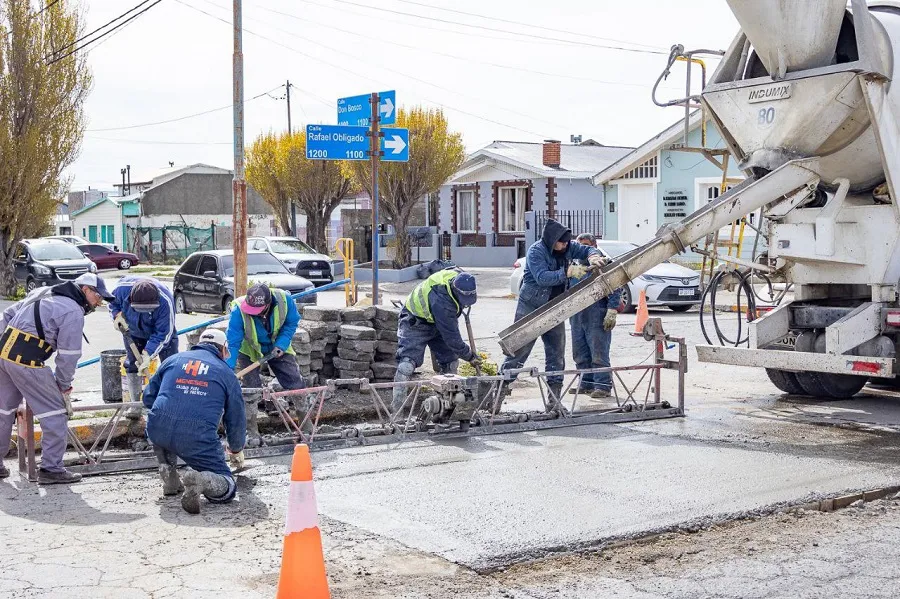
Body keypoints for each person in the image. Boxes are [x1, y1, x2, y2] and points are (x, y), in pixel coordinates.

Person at [0, 273, 113, 484]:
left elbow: (8, 314)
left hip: (4, 355)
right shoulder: (73, 311)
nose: (98, 303)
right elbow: (69, 355)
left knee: (3, 411)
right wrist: (62, 385)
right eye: (98, 297)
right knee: (55, 413)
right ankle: (51, 469)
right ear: (85, 290)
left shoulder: (43, 292)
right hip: (27, 361)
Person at [500, 219, 604, 404]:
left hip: (555, 307)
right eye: (561, 243)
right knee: (519, 351)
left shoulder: (567, 246)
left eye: (566, 243)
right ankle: (497, 393)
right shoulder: (536, 251)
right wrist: (567, 273)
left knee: (556, 354)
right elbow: (542, 278)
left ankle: (554, 401)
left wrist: (594, 256)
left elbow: (585, 250)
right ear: (552, 240)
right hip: (531, 306)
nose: (565, 246)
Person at [143, 328, 246, 514]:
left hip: (158, 430)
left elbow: (148, 398)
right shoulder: (226, 373)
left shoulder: (172, 360)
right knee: (227, 486)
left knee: (160, 421)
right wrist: (236, 448)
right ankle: (202, 481)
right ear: (223, 349)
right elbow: (235, 418)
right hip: (196, 436)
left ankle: (168, 471)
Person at [392, 269, 480, 412]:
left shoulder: (460, 277)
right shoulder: (442, 302)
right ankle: (397, 412)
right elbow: (452, 338)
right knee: (406, 365)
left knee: (450, 363)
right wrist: (470, 356)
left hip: (435, 320)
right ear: (455, 290)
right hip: (415, 321)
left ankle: (447, 409)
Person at [109, 276, 178, 417]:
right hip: (132, 331)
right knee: (132, 364)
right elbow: (112, 304)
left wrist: (148, 354)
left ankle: (169, 406)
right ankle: (135, 406)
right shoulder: (120, 290)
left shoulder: (165, 301)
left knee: (170, 366)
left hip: (160, 333)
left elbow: (163, 333)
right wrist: (116, 316)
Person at [568, 233, 621, 398]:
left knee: (598, 351)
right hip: (577, 314)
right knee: (580, 351)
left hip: (597, 313)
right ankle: (586, 383)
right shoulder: (575, 266)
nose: (582, 250)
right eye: (580, 246)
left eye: (586, 246)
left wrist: (612, 310)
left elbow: (615, 286)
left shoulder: (604, 264)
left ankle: (603, 386)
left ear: (594, 246)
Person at [225, 283, 302, 391]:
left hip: (277, 343)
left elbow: (291, 323)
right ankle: (253, 401)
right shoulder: (238, 310)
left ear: (268, 304)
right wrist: (227, 370)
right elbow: (232, 343)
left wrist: (282, 344)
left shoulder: (284, 300)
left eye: (256, 310)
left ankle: (300, 400)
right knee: (251, 388)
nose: (253, 313)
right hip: (250, 348)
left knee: (294, 383)